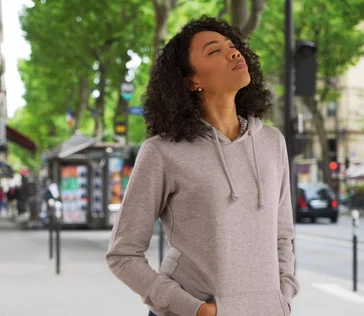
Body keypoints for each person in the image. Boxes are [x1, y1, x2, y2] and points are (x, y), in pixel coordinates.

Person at [106, 16, 299, 316]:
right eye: (214, 51)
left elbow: (282, 236)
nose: (234, 53)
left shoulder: (272, 142)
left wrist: (283, 294)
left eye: (233, 46)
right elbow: (123, 254)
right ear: (191, 81)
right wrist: (196, 309)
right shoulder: (162, 151)